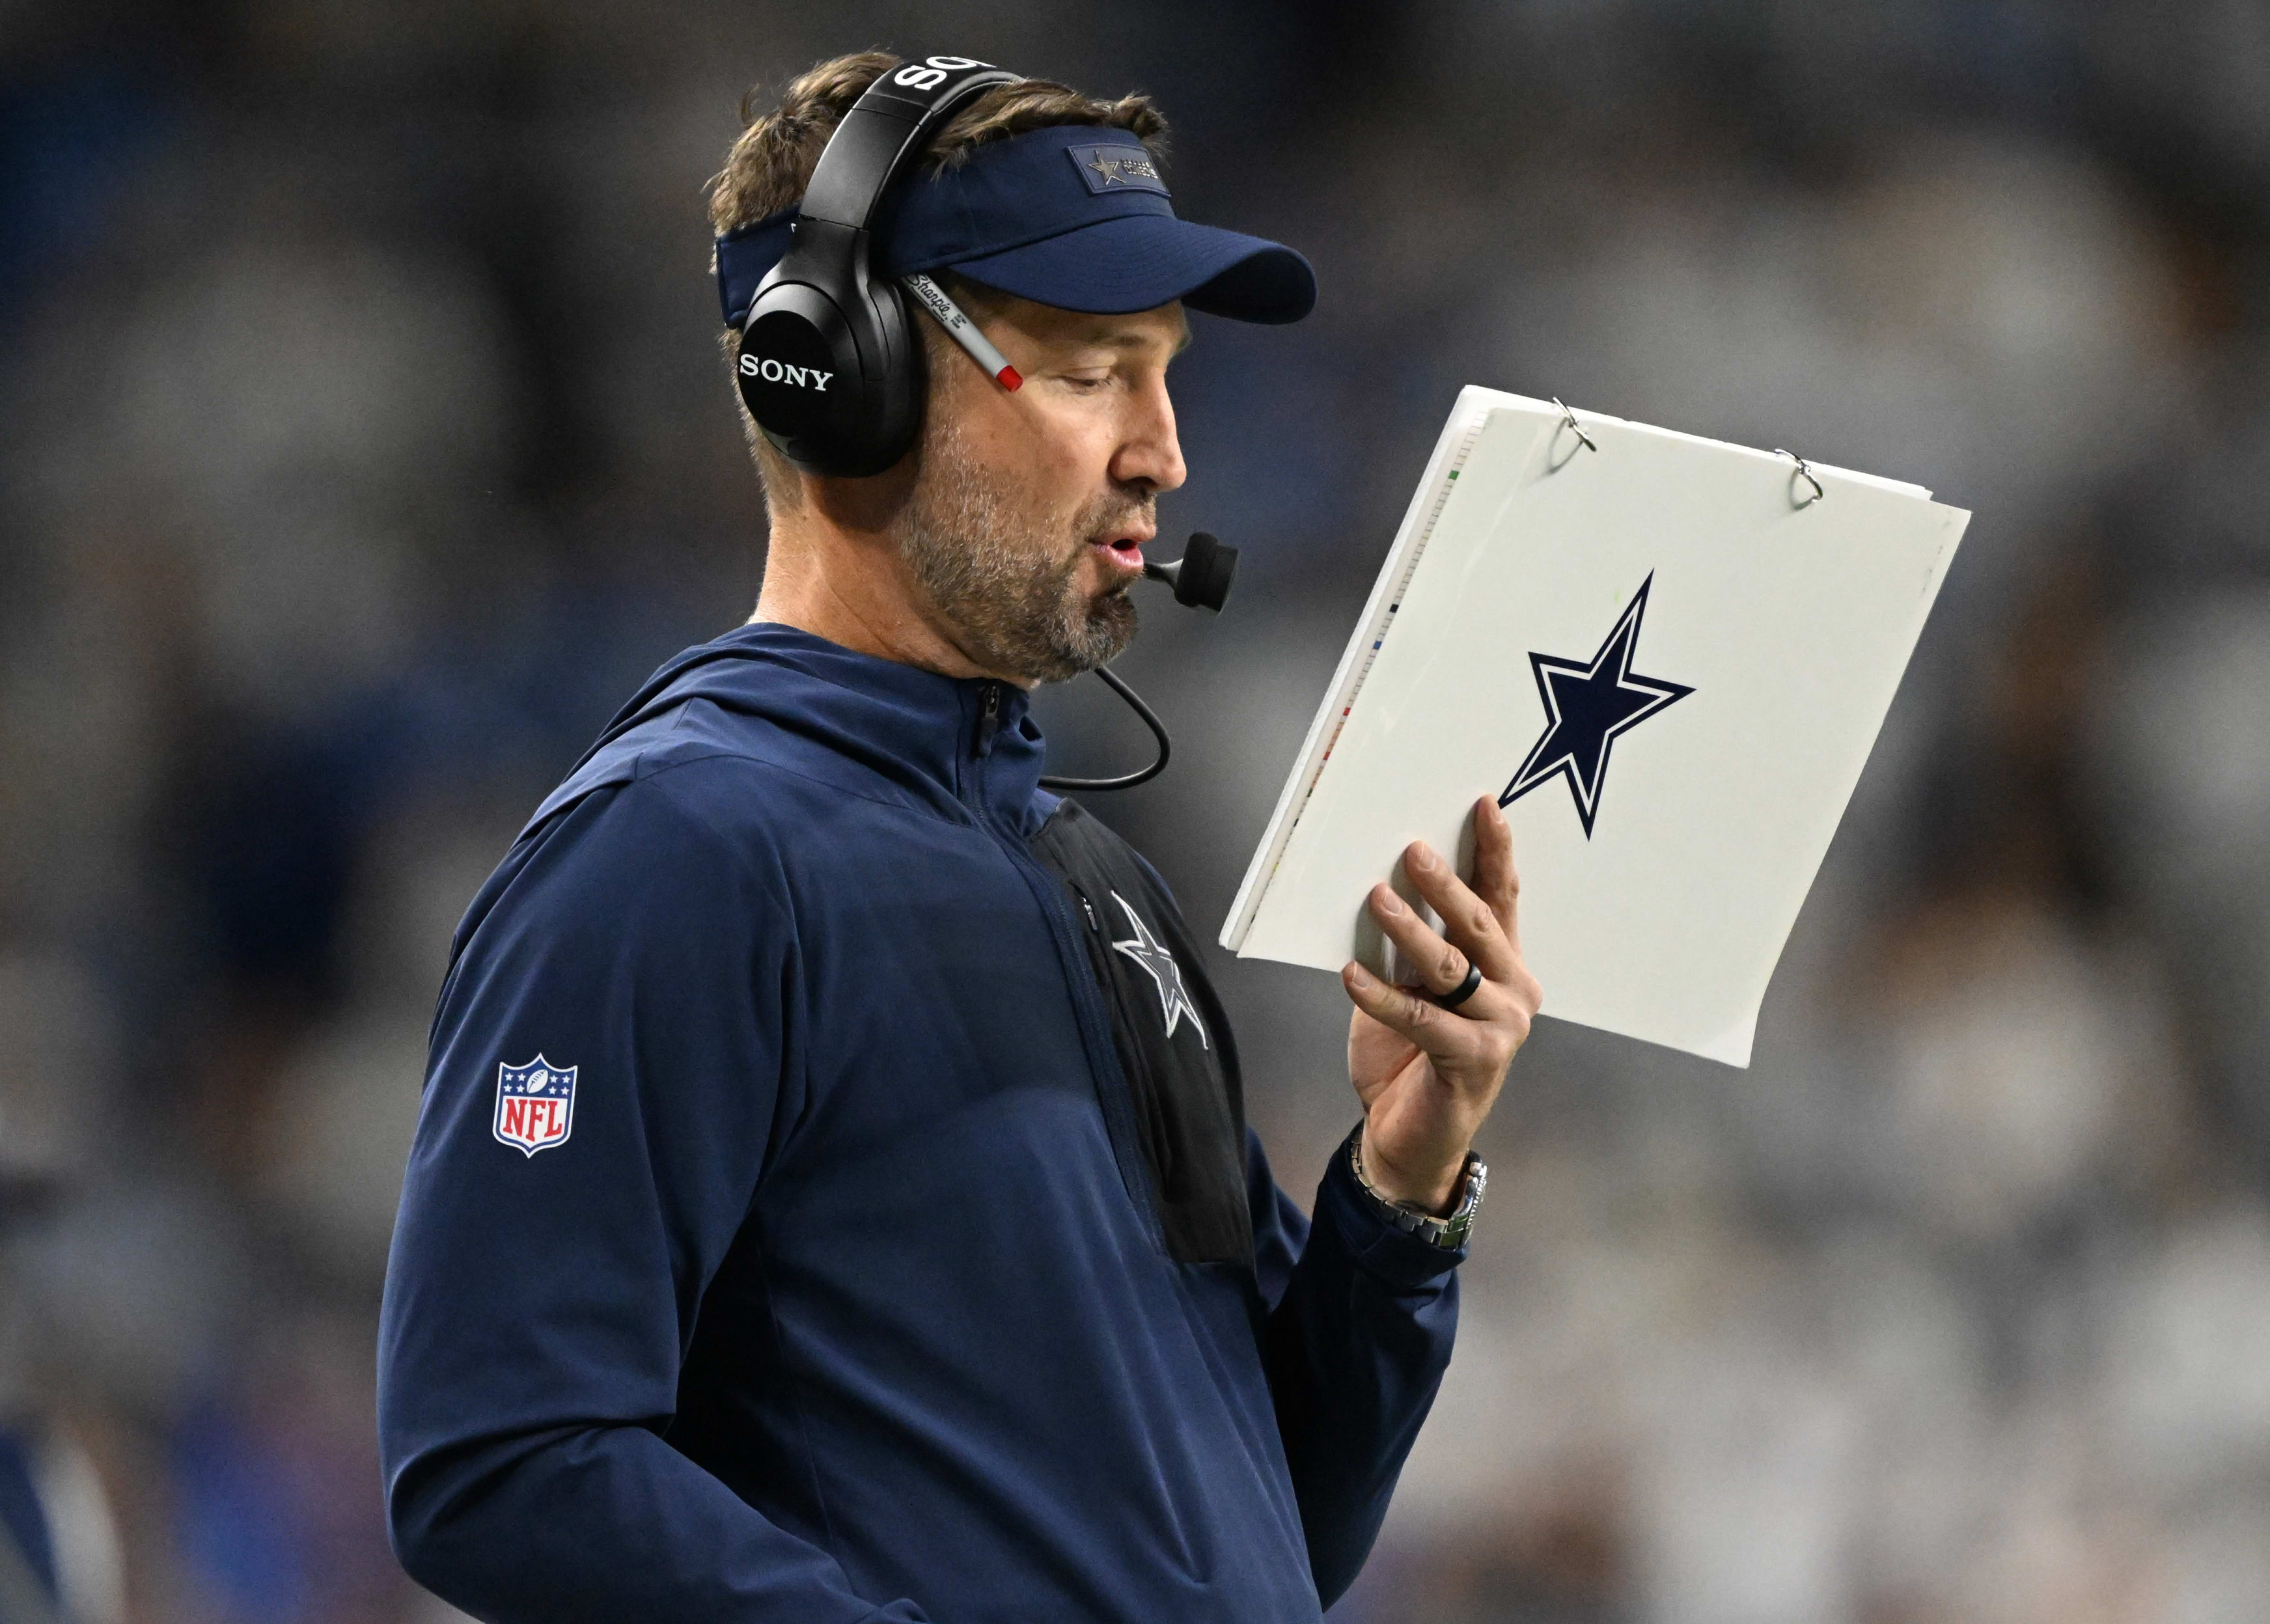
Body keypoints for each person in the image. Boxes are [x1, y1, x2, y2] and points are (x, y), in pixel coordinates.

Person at [378, 49, 1541, 1623]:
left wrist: (1399, 1202)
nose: (1165, 451)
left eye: (1168, 368)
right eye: (1090, 372)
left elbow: (1278, 1529)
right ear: (839, 373)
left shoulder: (1098, 883)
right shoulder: (675, 855)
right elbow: (497, 1456)